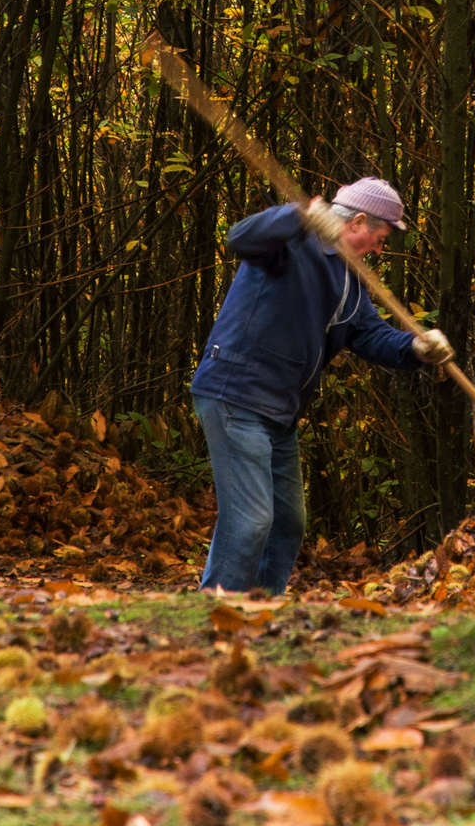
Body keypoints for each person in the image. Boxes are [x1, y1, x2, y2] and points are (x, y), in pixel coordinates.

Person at [190, 176, 453, 594]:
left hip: (279, 412)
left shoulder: (350, 279)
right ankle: (215, 615)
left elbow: (368, 335)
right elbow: (240, 238)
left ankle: (258, 610)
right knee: (252, 519)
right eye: (380, 239)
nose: (380, 250)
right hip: (235, 394)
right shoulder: (293, 242)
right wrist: (300, 216)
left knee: (289, 522)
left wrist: (418, 347)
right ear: (358, 221)